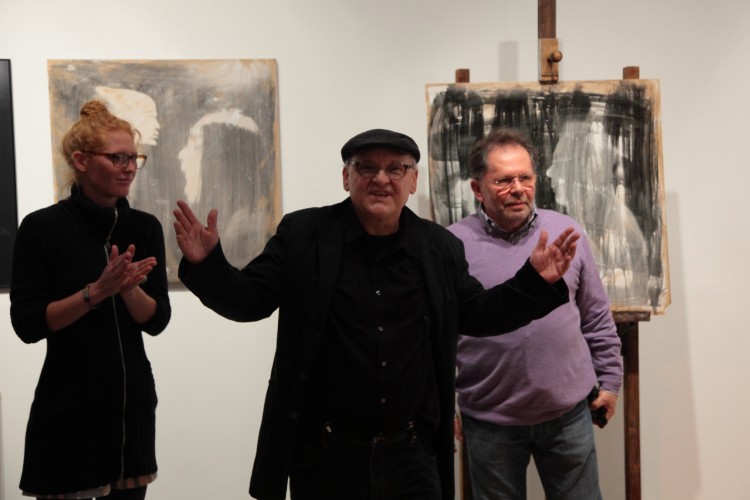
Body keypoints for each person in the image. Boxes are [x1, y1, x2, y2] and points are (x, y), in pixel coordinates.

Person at [173, 128, 580, 500]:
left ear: (412, 181)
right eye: (366, 167)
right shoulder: (303, 235)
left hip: (411, 457)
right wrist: (209, 265)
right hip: (327, 458)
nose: (381, 179)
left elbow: (478, 313)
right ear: (346, 177)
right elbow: (251, 300)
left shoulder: (438, 247)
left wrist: (533, 282)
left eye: (395, 168)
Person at [448, 128, 623, 500]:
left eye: (525, 178)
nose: (518, 189)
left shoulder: (566, 232)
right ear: (477, 188)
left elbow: (595, 314)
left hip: (567, 415)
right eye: (503, 180)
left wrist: (610, 381)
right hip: (490, 419)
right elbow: (438, 336)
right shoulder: (451, 246)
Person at [10, 100, 171, 500]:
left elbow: (156, 320)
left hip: (130, 409)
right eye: (118, 157)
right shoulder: (42, 228)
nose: (129, 167)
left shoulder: (144, 227)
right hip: (68, 411)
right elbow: (28, 323)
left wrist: (127, 288)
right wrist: (95, 293)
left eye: (134, 158)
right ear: (81, 161)